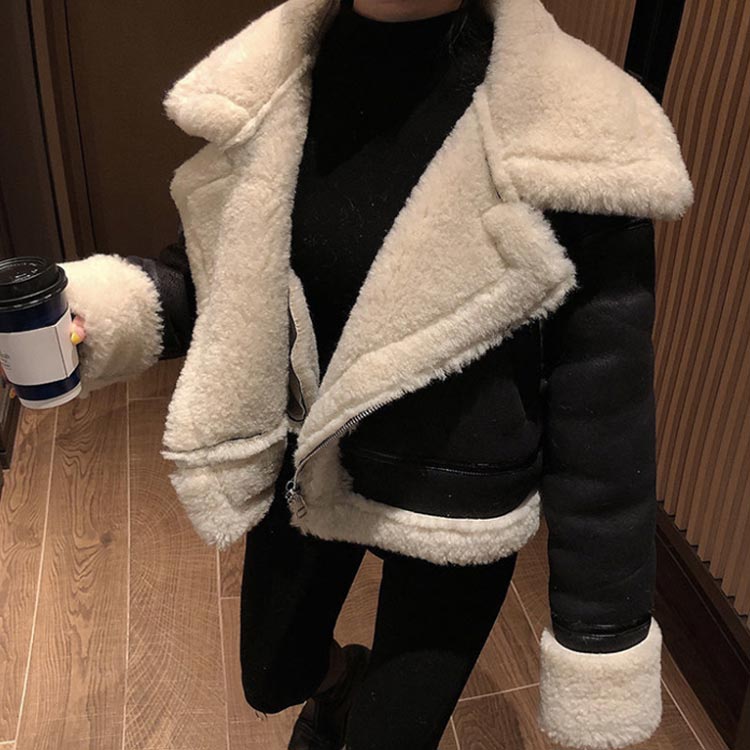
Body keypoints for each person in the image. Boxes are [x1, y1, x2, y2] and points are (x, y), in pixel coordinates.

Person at [57, 0, 694, 748]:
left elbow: (605, 416)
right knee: (273, 676)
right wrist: (87, 315)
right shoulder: (274, 81)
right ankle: (339, 684)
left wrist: (601, 632)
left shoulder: (584, 129)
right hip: (310, 458)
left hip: (456, 507)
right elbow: (221, 278)